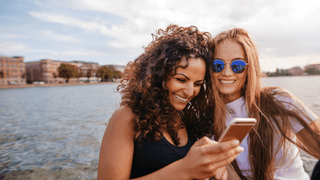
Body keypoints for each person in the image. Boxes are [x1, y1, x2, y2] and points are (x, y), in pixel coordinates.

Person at [98, 24, 244, 180]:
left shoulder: (191, 119)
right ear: (160, 75)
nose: (189, 92)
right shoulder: (126, 117)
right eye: (181, 80)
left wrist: (214, 167)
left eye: (197, 84)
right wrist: (185, 169)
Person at [209, 28, 320, 180]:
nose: (227, 72)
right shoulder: (208, 118)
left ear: (249, 69)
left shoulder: (280, 101)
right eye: (217, 65)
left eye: (237, 66)